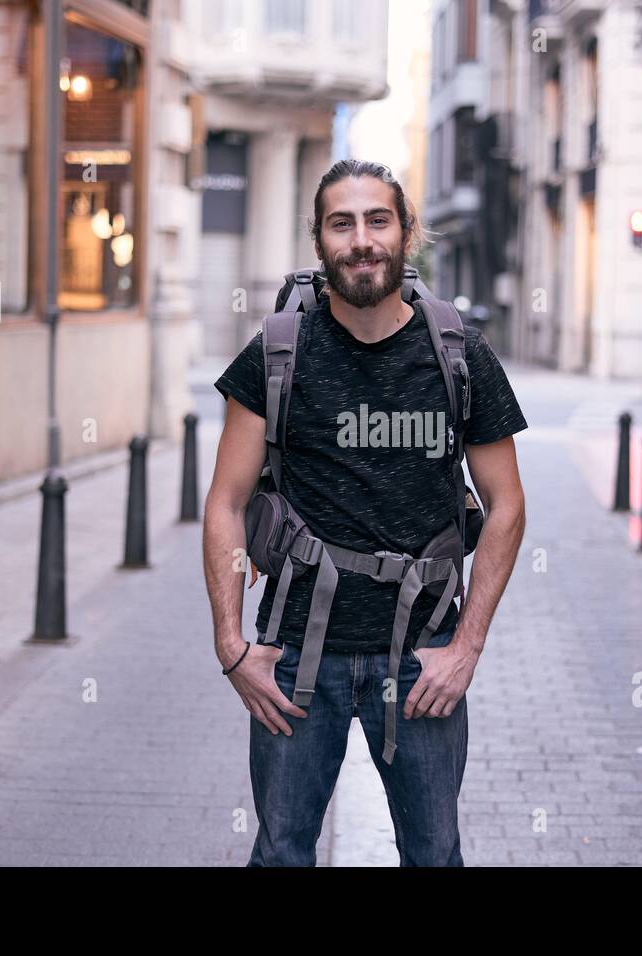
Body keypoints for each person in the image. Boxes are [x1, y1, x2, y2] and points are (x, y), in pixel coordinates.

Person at [203, 159, 527, 866]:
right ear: (319, 242)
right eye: (340, 223)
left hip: (421, 660)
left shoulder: (461, 354)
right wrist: (232, 646)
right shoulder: (276, 355)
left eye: (377, 220)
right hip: (294, 658)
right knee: (282, 853)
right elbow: (225, 504)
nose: (361, 239)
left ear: (406, 233)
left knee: (434, 855)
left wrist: (466, 650)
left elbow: (507, 507)